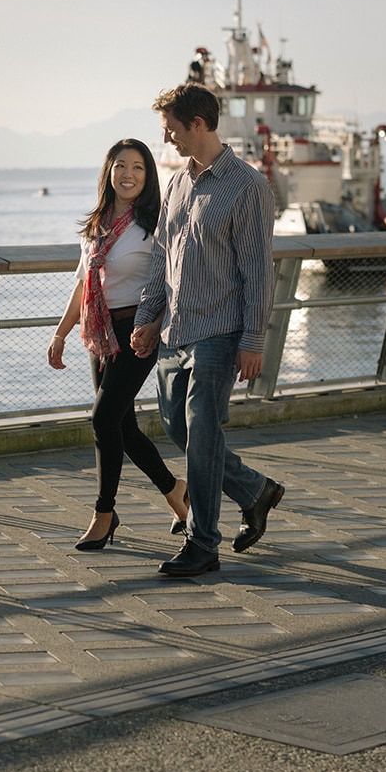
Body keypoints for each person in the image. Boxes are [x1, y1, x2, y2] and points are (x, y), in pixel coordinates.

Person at [131, 83, 285, 577]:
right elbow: (161, 259)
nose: (166, 136)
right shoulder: (176, 184)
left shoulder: (247, 185)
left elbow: (258, 271)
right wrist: (146, 320)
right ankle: (254, 491)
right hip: (175, 331)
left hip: (220, 332)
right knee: (178, 427)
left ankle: (203, 544)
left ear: (197, 123)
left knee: (202, 434)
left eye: (171, 127)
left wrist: (252, 341)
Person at [48, 139, 190, 551]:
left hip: (138, 331)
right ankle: (176, 491)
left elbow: (172, 282)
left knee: (102, 419)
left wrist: (156, 324)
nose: (128, 175)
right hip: (100, 332)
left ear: (148, 177)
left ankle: (104, 513)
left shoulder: (156, 223)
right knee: (122, 427)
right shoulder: (98, 223)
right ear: (109, 172)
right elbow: (83, 283)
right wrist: (59, 333)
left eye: (138, 168)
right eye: (121, 166)